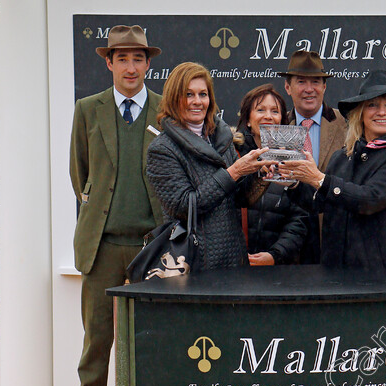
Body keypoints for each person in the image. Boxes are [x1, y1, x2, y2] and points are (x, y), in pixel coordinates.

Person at [65, 25, 165, 386]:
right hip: (103, 247)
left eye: (138, 58)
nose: (130, 66)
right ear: (108, 63)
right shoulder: (87, 110)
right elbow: (79, 175)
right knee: (97, 343)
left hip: (154, 245)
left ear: (148, 63)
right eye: (121, 58)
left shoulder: (166, 111)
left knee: (155, 342)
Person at [280, 70, 386, 274]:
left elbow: (370, 199)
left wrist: (319, 179)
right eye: (372, 105)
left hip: (384, 276)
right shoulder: (343, 155)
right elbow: (317, 202)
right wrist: (292, 180)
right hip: (337, 271)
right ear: (360, 113)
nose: (382, 112)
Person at [146, 63, 274, 270]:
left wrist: (261, 174)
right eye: (188, 94)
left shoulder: (222, 138)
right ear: (173, 98)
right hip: (193, 262)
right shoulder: (162, 149)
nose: (197, 102)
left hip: (233, 258)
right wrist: (234, 172)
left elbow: (241, 197)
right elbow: (184, 207)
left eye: (203, 94)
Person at [280, 51, 347, 264]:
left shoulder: (348, 124)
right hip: (289, 240)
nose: (310, 89)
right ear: (288, 87)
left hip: (335, 238)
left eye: (316, 82)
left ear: (325, 87)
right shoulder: (276, 127)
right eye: (301, 82)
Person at [234, 84, 308, 265]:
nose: (268, 116)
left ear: (282, 119)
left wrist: (275, 255)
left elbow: (299, 219)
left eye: (275, 111)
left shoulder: (294, 159)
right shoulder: (231, 156)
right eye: (260, 110)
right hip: (233, 266)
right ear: (248, 119)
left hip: (278, 270)